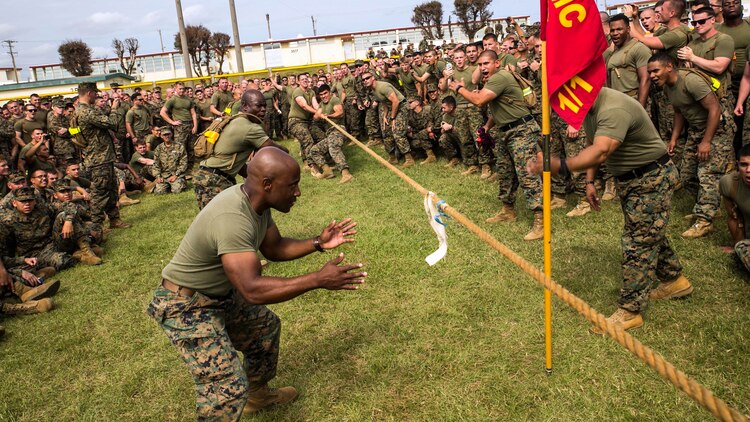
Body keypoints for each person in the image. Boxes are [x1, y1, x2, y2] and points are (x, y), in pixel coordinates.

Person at [147, 147, 366, 420]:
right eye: (293, 186)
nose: (297, 193)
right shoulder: (232, 218)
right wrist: (317, 279)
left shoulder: (257, 203)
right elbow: (252, 289)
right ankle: (241, 395)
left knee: (264, 328)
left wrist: (318, 243)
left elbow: (274, 248)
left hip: (217, 294)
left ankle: (258, 395)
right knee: (227, 387)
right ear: (267, 184)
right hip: (185, 304)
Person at [527, 87, 692, 333]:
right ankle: (674, 280)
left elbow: (602, 150)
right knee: (647, 230)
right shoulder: (591, 108)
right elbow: (593, 145)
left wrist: (560, 165)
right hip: (632, 178)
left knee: (637, 241)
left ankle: (630, 311)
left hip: (651, 177)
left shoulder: (613, 108)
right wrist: (590, 182)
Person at [449, 50, 544, 241]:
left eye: (487, 64)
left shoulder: (500, 77)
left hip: (520, 131)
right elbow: (498, 108)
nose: (483, 68)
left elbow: (478, 101)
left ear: (497, 63)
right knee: (505, 172)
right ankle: (508, 210)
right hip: (504, 131)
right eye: (481, 65)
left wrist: (459, 88)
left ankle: (541, 221)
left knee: (527, 175)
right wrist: (486, 126)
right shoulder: (492, 80)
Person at [193, 90, 286, 209]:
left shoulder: (235, 120)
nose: (263, 109)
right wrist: (286, 153)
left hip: (207, 176)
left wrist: (257, 179)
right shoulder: (249, 127)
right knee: (223, 220)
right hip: (214, 179)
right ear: (245, 106)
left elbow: (236, 163)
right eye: (258, 105)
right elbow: (272, 149)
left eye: (264, 106)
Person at [70, 83, 130, 230]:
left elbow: (75, 133)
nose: (96, 96)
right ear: (89, 93)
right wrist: (115, 108)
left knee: (110, 188)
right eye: (95, 93)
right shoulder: (86, 112)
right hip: (99, 158)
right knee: (100, 193)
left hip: (101, 156)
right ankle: (96, 226)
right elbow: (113, 123)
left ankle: (114, 219)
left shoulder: (80, 111)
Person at [719, 144, 750, 271]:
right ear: (737, 165)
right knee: (741, 247)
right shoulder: (729, 183)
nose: (748, 170)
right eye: (744, 165)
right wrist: (737, 246)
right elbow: (734, 217)